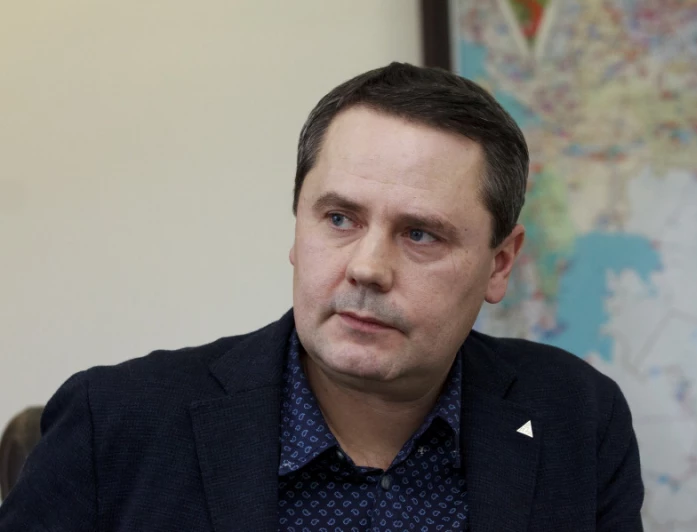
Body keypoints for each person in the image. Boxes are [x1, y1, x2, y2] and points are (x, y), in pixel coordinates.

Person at [0, 62, 643, 531]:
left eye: (420, 234)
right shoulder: (114, 424)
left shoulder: (576, 417)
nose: (367, 268)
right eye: (339, 219)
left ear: (499, 264)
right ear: (297, 228)